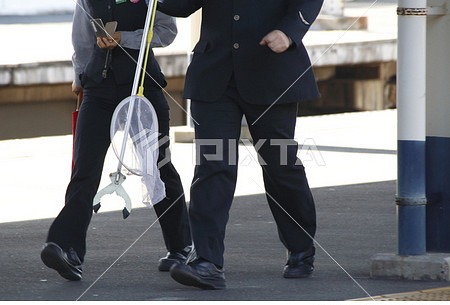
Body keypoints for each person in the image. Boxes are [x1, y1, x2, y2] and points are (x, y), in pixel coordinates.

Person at [157, 0, 324, 290]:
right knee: (213, 163)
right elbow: (182, 5)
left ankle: (301, 249)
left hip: (271, 69)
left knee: (279, 164)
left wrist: (289, 31)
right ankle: (207, 261)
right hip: (215, 73)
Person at [40, 0, 192, 281]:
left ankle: (182, 245)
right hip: (99, 87)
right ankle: (67, 247)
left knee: (157, 166)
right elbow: (83, 37)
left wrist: (126, 38)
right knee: (84, 169)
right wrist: (80, 74)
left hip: (142, 86)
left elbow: (166, 32)